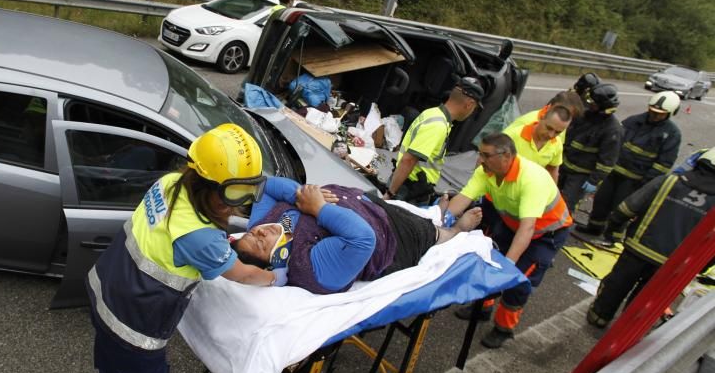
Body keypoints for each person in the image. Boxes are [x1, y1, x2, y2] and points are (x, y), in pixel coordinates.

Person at [86, 123, 278, 373]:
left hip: (106, 296)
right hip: (135, 329)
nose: (239, 203)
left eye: (248, 190)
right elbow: (241, 275)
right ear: (205, 185)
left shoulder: (171, 184)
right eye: (234, 192)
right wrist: (276, 276)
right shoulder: (200, 238)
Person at [231, 177, 482, 294]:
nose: (261, 231)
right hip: (395, 237)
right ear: (276, 263)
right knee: (434, 233)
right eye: (261, 242)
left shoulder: (262, 224)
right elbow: (362, 238)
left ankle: (439, 210)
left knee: (417, 211)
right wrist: (318, 207)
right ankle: (454, 229)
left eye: (253, 232)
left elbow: (265, 186)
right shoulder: (308, 267)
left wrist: (301, 195)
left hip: (366, 203)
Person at [447, 133, 573, 348]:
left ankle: (504, 328)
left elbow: (528, 228)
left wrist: (508, 265)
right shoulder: (486, 172)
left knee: (517, 279)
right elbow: (463, 198)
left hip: (545, 234)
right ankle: (483, 308)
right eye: (480, 153)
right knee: (489, 259)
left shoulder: (531, 179)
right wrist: (440, 220)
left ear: (505, 156)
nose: (480, 159)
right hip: (511, 223)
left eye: (486, 155)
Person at [586, 148, 715, 327]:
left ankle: (598, 317)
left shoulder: (668, 181)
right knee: (644, 301)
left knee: (615, 286)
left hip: (637, 249)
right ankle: (624, 333)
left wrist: (613, 231)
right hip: (672, 264)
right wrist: (699, 267)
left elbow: (627, 208)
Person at [576, 90, 682, 247]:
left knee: (621, 210)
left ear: (671, 113)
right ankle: (594, 228)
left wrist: (646, 183)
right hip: (614, 171)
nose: (654, 115)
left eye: (659, 114)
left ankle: (613, 238)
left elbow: (664, 164)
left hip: (635, 179)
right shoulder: (634, 121)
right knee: (601, 201)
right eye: (652, 111)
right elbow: (615, 139)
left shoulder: (672, 134)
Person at [386, 77, 485, 205]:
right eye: (474, 108)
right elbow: (408, 160)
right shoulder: (438, 125)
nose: (472, 112)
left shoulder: (434, 114)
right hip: (407, 191)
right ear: (469, 104)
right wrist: (390, 193)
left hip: (409, 188)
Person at [557, 83, 623, 211]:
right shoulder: (584, 116)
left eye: (593, 103)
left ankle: (558, 230)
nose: (589, 105)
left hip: (581, 176)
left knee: (565, 207)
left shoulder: (612, 130)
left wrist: (594, 181)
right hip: (563, 166)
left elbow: (607, 162)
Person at [503, 105, 573, 182]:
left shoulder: (557, 143)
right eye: (549, 128)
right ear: (541, 118)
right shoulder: (511, 136)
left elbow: (552, 170)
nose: (551, 135)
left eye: (558, 132)